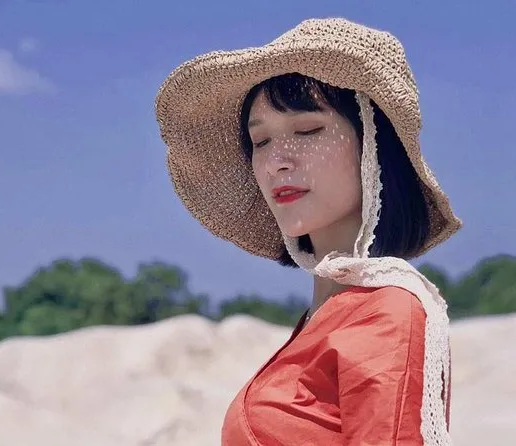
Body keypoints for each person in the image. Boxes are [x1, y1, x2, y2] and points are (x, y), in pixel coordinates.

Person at [155, 17, 461, 445]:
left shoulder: (388, 314)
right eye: (260, 142)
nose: (276, 162)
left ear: (374, 146)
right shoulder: (327, 315)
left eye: (308, 130)